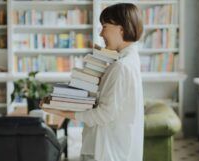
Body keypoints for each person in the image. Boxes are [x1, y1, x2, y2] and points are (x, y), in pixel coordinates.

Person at [41, 3, 144, 161]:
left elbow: (103, 114)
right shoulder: (128, 59)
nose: (101, 33)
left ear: (121, 28)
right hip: (114, 147)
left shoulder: (121, 67)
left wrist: (59, 112)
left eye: (104, 26)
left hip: (107, 150)